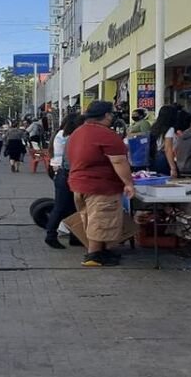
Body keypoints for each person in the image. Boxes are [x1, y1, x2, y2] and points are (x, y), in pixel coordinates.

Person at [65, 101, 135, 267]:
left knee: (89, 218)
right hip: (100, 186)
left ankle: (100, 252)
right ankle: (94, 256)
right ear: (107, 115)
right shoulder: (105, 134)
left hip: (79, 183)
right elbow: (119, 161)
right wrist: (128, 183)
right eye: (111, 113)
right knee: (101, 221)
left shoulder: (78, 132)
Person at [44, 112, 84, 249]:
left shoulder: (60, 133)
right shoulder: (68, 136)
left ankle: (75, 236)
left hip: (60, 171)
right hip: (64, 173)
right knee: (61, 207)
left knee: (72, 207)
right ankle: (51, 235)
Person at [150, 105, 181, 177]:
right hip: (165, 160)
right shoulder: (170, 129)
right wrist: (173, 168)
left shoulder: (155, 127)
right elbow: (168, 149)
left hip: (155, 158)